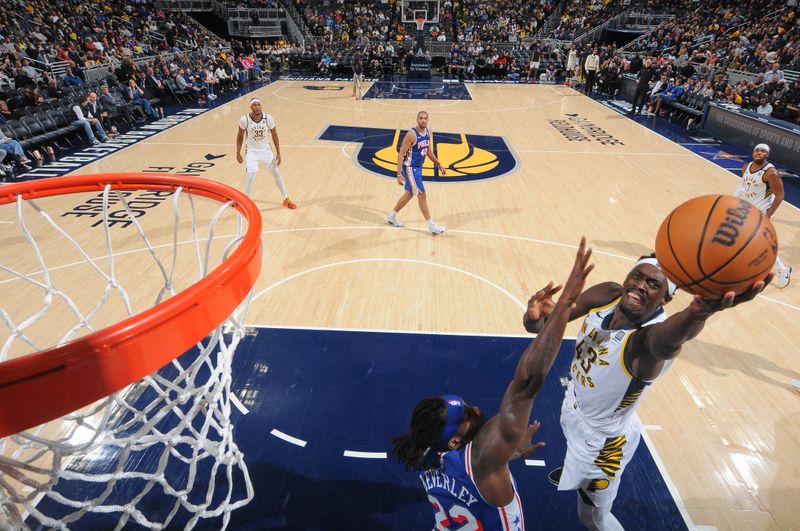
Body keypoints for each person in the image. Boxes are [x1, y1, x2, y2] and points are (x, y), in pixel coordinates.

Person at [523, 254, 769, 530]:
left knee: (593, 519)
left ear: (665, 298)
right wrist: (534, 318)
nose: (640, 285)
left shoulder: (646, 343)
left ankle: (588, 477)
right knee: (579, 458)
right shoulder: (608, 293)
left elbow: (668, 340)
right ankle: (579, 470)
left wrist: (699, 312)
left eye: (653, 284)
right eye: (637, 276)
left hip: (602, 443)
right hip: (577, 408)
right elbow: (544, 327)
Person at [393, 239, 595, 529]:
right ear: (453, 441)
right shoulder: (483, 457)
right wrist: (563, 307)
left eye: (465, 406)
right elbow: (527, 381)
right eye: (465, 416)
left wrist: (507, 455)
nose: (475, 409)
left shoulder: (429, 455)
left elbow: (474, 470)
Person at [734, 143, 792, 288]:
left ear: (767, 154)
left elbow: (779, 195)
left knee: (761, 247)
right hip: (745, 211)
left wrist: (768, 215)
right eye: (757, 150)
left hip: (759, 214)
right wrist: (732, 201)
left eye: (763, 151)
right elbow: (743, 187)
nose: (759, 153)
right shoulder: (746, 166)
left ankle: (783, 270)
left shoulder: (771, 172)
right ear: (753, 153)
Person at [386, 111, 446, 235]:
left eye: (425, 118)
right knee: (421, 195)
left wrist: (439, 164)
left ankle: (391, 216)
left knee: (409, 194)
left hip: (418, 168)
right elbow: (401, 154)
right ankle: (431, 225)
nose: (423, 120)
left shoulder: (429, 131)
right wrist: (398, 174)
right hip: (410, 168)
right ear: (417, 119)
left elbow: (429, 151)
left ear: (428, 120)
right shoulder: (411, 134)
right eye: (421, 118)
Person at [236, 97, 296, 209]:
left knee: (276, 173)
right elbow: (240, 136)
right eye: (255, 105)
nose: (257, 107)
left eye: (259, 104)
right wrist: (238, 152)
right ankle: (246, 203)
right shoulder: (244, 119)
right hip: (252, 151)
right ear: (251, 107)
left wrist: (278, 153)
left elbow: (275, 135)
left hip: (266, 151)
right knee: (250, 175)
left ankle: (285, 198)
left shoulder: (268, 118)